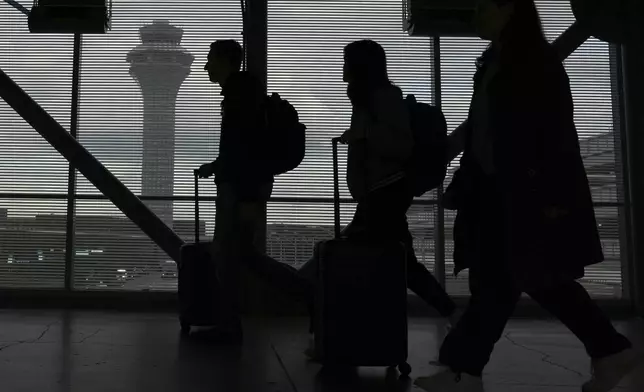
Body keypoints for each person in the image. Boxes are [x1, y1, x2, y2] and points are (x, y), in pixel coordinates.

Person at [414, 1, 640, 391]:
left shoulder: (532, 63)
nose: (475, 12)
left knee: (513, 281)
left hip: (519, 192)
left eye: (483, 5)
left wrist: (552, 194)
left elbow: (554, 134)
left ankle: (464, 371)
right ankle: (609, 350)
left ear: (507, 8)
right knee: (516, 281)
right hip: (497, 192)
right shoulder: (497, 63)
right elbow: (483, 128)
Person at [301, 39, 460, 358]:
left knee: (339, 262)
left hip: (387, 191)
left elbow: (400, 146)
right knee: (399, 263)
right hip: (378, 193)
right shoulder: (365, 99)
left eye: (347, 60)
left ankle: (333, 334)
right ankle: (450, 313)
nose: (342, 66)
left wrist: (363, 134)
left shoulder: (384, 98)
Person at [195, 40, 311, 343]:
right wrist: (217, 166)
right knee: (241, 255)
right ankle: (308, 294)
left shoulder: (239, 95)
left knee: (232, 254)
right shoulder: (246, 94)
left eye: (210, 59)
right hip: (244, 185)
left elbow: (244, 150)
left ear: (225, 60)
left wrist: (244, 195)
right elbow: (241, 148)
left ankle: (308, 295)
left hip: (241, 189)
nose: (206, 66)